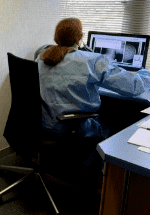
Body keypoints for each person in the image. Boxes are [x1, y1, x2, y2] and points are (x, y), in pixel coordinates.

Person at [35, 17, 150, 173]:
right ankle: (98, 176)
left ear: (56, 37)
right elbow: (134, 87)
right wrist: (145, 73)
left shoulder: (42, 57)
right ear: (80, 38)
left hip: (41, 123)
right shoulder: (93, 61)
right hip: (71, 128)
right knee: (114, 125)